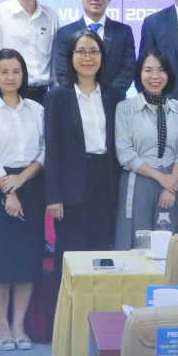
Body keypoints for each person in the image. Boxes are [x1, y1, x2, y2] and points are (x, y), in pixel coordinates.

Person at [0, 50, 46, 348]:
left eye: (16, 71)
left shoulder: (37, 110)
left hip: (31, 184)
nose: (10, 77)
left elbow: (45, 150)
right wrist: (10, 191)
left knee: (28, 258)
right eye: (4, 71)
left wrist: (22, 180)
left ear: (23, 75)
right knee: (1, 259)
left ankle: (19, 325)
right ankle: (2, 326)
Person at [43, 30, 124, 255]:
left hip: (105, 181)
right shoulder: (57, 97)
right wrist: (54, 196)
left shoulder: (113, 96)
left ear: (102, 57)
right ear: (71, 56)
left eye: (94, 52)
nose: (88, 58)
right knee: (71, 250)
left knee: (100, 250)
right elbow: (51, 148)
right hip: (72, 185)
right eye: (81, 52)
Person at [116, 51, 178, 245]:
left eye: (161, 70)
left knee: (169, 241)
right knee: (138, 241)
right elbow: (125, 153)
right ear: (139, 74)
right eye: (148, 70)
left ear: (169, 74)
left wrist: (171, 184)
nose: (155, 76)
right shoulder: (125, 108)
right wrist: (161, 178)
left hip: (172, 182)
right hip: (138, 181)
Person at [53, 0, 137, 100]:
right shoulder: (65, 33)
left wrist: (108, 96)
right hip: (76, 101)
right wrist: (82, 95)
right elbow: (62, 72)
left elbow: (128, 69)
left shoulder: (123, 31)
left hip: (114, 102)